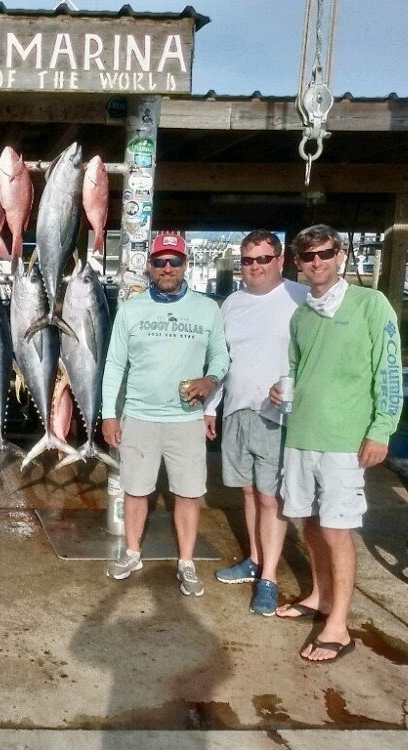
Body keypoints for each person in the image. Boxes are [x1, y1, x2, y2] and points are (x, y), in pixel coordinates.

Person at [270, 224, 402, 662]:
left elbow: (389, 371)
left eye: (325, 253)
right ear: (298, 262)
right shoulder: (301, 316)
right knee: (309, 523)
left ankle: (339, 626)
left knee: (336, 529)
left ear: (340, 255)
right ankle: (320, 596)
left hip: (344, 440)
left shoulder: (371, 303)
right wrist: (280, 391)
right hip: (301, 436)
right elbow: (295, 370)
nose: (317, 262)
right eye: (308, 256)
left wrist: (381, 429)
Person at [101, 233, 230, 596]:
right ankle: (132, 553)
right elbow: (114, 364)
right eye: (160, 262)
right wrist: (109, 414)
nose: (167, 268)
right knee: (135, 490)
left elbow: (221, 356)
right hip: (139, 416)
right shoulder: (132, 309)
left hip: (186, 420)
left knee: (188, 494)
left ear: (185, 264)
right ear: (150, 266)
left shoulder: (207, 308)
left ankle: (186, 562)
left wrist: (210, 379)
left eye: (175, 261)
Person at [203, 230, 307, 615]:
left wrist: (296, 388)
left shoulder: (301, 297)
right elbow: (222, 360)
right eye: (248, 260)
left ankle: (270, 578)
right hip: (237, 409)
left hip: (276, 416)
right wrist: (210, 407)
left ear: (280, 260)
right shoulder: (232, 303)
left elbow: (315, 357)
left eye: (263, 259)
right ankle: (254, 559)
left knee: (269, 497)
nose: (255, 267)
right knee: (247, 493)